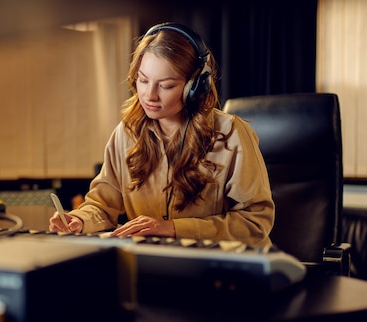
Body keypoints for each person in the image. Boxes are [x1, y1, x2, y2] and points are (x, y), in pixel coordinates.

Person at [49, 22, 274, 247]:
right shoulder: (126, 134)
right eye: (143, 80)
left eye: (166, 86)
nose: (149, 95)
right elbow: (102, 206)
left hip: (219, 269)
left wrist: (174, 229)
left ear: (194, 87)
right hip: (155, 266)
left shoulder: (231, 134)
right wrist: (79, 219)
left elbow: (255, 223)